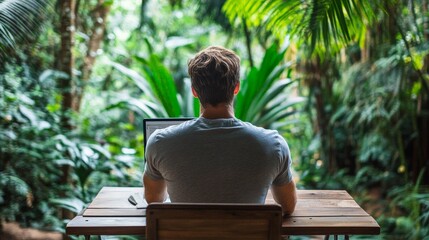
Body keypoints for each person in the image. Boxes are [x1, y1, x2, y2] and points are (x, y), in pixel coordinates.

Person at [143, 46, 297, 214]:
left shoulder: (160, 143)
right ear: (236, 88)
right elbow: (288, 207)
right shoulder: (274, 145)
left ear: (194, 91)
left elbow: (154, 201)